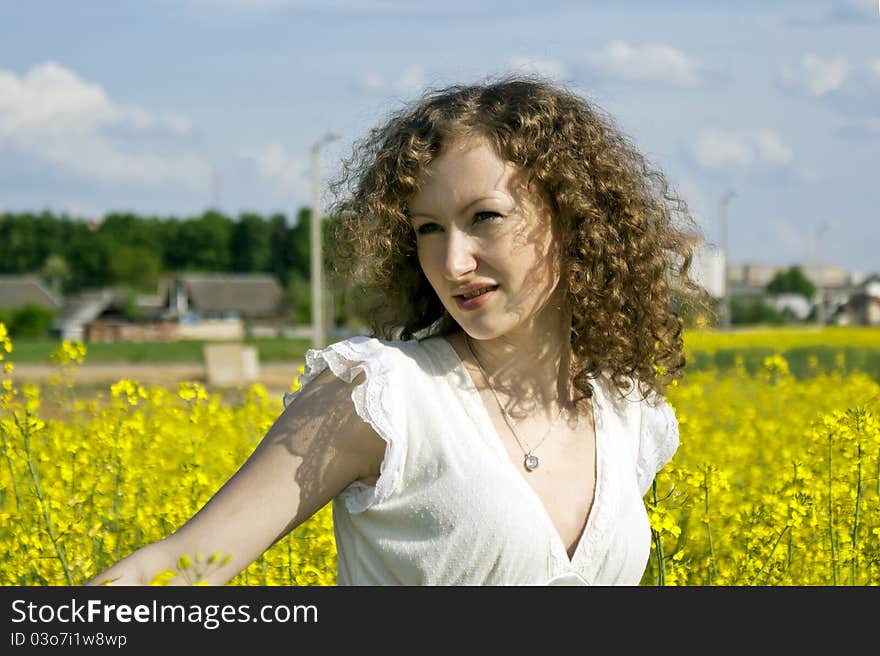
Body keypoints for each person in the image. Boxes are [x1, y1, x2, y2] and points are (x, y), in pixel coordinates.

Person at [87, 74, 709, 587]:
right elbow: (178, 570)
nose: (452, 262)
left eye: (484, 218)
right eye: (427, 229)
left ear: (574, 220)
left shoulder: (629, 415)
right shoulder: (382, 397)